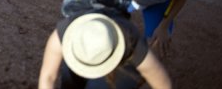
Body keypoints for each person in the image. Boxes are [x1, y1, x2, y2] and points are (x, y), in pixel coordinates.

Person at [39, 9, 172, 89]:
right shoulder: (64, 31)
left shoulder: (130, 40)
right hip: (84, 49)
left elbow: (162, 83)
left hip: (118, 62)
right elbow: (48, 77)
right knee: (70, 83)